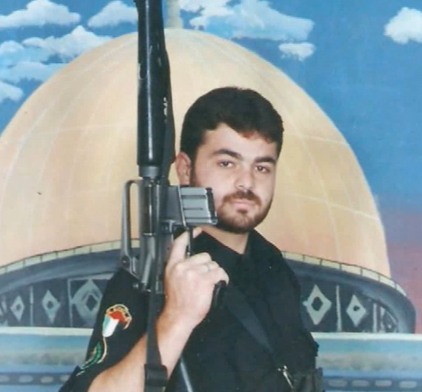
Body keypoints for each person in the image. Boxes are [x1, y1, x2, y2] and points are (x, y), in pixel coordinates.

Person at [59, 86, 322, 392]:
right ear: (185, 169)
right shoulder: (152, 275)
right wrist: (176, 318)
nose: (247, 182)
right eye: (227, 163)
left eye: (261, 167)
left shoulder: (274, 269)